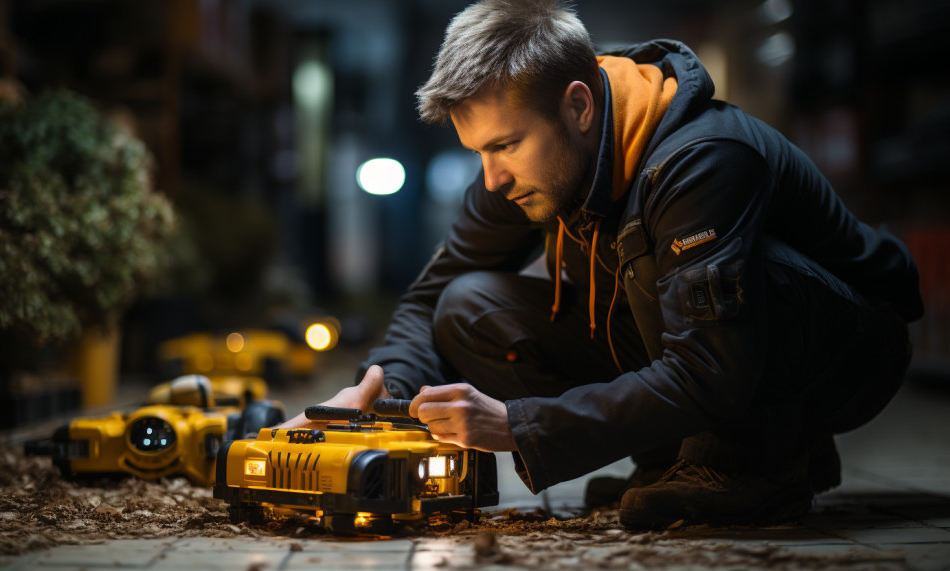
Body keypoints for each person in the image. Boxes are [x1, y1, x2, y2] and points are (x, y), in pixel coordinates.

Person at [279, 0, 923, 530]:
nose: (492, 177)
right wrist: (379, 390)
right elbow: (432, 295)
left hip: (849, 348)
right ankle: (679, 457)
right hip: (717, 350)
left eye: (504, 145)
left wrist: (517, 426)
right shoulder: (531, 162)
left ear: (579, 107)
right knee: (467, 307)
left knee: (653, 258)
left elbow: (711, 368)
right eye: (478, 150)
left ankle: (747, 459)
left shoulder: (701, 159)